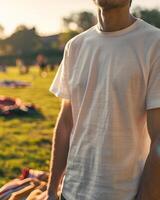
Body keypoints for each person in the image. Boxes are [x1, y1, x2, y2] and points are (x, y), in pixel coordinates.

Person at [47, 0, 160, 199]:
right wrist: (51, 189)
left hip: (123, 193)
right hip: (71, 191)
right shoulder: (75, 46)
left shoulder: (154, 44)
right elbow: (65, 123)